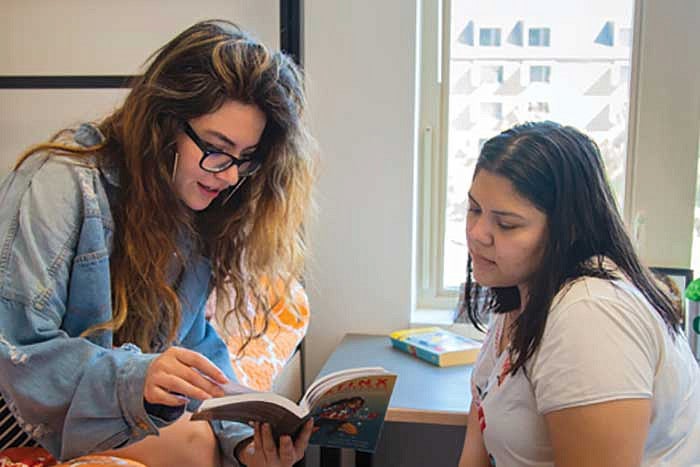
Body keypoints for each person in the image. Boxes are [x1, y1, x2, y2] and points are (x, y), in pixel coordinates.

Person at [0, 19, 315, 467]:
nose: (227, 175)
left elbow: (196, 349)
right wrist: (138, 377)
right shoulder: (58, 184)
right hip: (17, 410)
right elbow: (16, 349)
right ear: (162, 124)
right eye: (216, 147)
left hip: (99, 406)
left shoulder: (191, 209)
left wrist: (246, 441)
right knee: (195, 446)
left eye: (244, 160)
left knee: (211, 442)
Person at [458, 121, 700, 466]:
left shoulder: (590, 315)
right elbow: (478, 435)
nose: (477, 233)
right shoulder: (519, 288)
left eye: (507, 224)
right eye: (474, 210)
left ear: (568, 229)